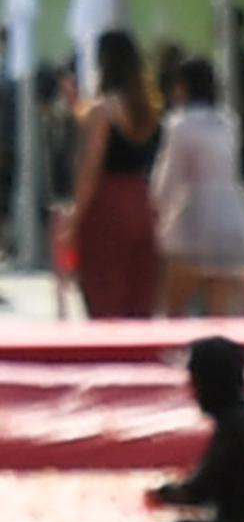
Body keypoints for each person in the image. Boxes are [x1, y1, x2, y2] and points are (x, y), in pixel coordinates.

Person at [103, 335, 244, 522]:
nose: (190, 390)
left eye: (193, 379)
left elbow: (200, 492)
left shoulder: (236, 429)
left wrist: (161, 494)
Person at [60, 24, 162, 322]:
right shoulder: (148, 110)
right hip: (141, 201)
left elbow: (90, 168)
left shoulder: (103, 110)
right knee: (139, 302)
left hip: (107, 205)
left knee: (105, 299)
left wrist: (73, 218)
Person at [153, 61, 244, 319]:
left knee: (175, 306)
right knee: (220, 311)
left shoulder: (179, 125)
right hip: (230, 213)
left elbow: (171, 176)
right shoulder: (228, 122)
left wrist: (157, 207)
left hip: (192, 215)